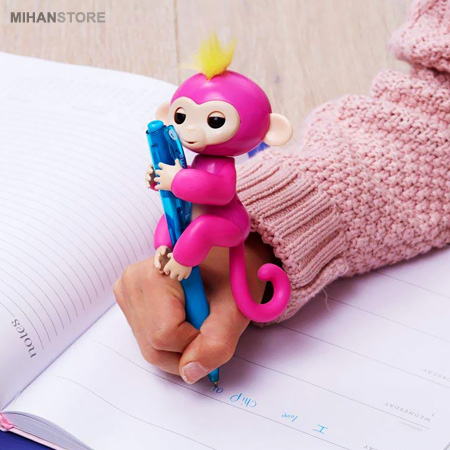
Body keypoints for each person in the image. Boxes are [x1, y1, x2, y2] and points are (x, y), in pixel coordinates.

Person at [114, 0, 450, 385]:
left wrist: (176, 181)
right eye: (182, 116)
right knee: (172, 223)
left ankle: (181, 256)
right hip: (237, 234)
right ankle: (172, 253)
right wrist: (272, 233)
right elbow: (434, 119)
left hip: (225, 228)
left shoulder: (217, 169)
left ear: (269, 130)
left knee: (199, 228)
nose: (192, 129)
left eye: (216, 120)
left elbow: (214, 189)